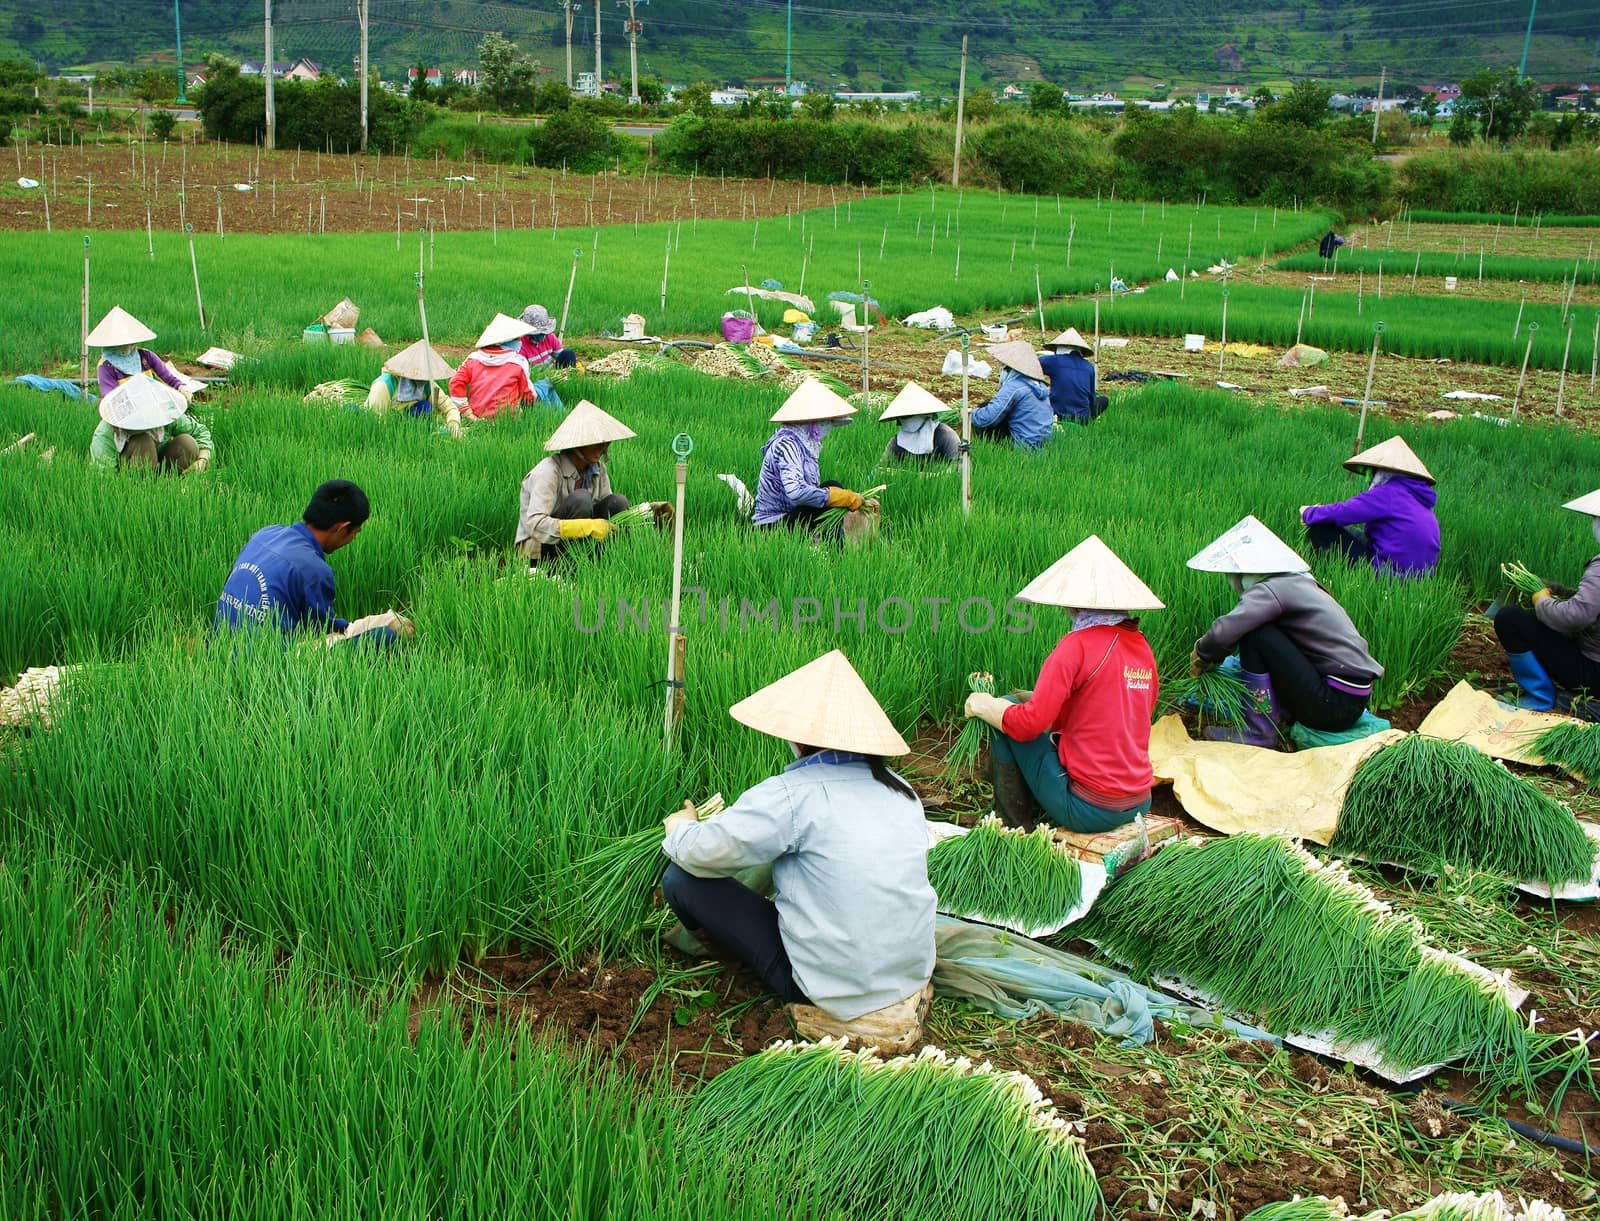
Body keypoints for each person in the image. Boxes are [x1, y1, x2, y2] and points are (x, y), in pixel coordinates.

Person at [660, 648, 936, 1053]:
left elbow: (703, 853)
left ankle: (712, 948)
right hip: (909, 971)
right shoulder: (900, 790)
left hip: (829, 988)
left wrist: (680, 828)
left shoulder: (792, 797)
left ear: (798, 737)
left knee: (681, 879)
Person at [962, 536, 1163, 832]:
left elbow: (1030, 724)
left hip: (1089, 809)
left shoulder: (1076, 645)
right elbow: (1126, 706)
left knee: (1005, 718)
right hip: (1139, 801)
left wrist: (987, 706)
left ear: (1071, 602)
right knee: (1018, 702)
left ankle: (1010, 827)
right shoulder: (1140, 645)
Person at [1188, 515, 1383, 746]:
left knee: (1256, 635)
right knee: (1268, 638)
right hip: (1349, 701)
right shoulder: (1299, 583)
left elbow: (1225, 631)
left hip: (1332, 704)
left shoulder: (1273, 589)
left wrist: (1202, 654)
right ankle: (1278, 713)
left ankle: (1260, 731)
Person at [214, 480, 380, 640]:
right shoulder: (314, 570)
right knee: (386, 637)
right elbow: (322, 632)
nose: (352, 539)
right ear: (341, 528)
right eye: (355, 533)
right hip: (268, 660)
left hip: (217, 646)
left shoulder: (264, 534)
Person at [516, 400, 661, 569]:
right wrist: (587, 527)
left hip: (581, 545)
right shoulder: (548, 472)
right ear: (578, 444)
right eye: (596, 443)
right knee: (581, 499)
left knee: (617, 502)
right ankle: (566, 568)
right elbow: (535, 525)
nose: (603, 448)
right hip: (543, 550)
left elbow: (608, 511)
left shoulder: (598, 469)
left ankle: (602, 565)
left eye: (605, 443)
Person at [1492, 487, 1600, 712]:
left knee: (1510, 619)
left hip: (1594, 674)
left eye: (1595, 518)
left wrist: (1541, 599)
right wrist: (1556, 589)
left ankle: (1541, 696)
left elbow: (1576, 617)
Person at [1301, 436, 1439, 576]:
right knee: (1341, 528)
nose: (1368, 480)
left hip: (1390, 576)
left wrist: (1309, 512)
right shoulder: (1417, 498)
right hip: (1418, 581)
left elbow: (1346, 511)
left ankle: (1320, 578)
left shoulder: (1390, 493)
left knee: (1321, 528)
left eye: (1370, 473)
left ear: (1382, 472)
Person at [752, 380, 877, 532]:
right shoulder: (787, 444)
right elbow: (796, 492)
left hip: (793, 514)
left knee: (833, 485)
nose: (829, 427)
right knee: (827, 503)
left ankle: (833, 542)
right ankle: (832, 546)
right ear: (812, 421)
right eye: (826, 422)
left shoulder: (804, 444)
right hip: (773, 524)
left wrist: (839, 495)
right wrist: (837, 497)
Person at [88, 370, 213, 475]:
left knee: (187, 443)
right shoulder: (105, 433)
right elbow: (104, 477)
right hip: (131, 476)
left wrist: (203, 459)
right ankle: (145, 490)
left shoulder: (165, 413)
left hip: (162, 467)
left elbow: (200, 432)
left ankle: (172, 485)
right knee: (143, 442)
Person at [448, 313, 538, 421]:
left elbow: (455, 382)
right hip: (507, 421)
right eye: (517, 339)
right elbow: (529, 395)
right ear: (508, 341)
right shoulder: (518, 363)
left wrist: (465, 410)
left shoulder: (473, 359)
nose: (520, 342)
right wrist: (527, 413)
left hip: (476, 417)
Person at [363, 340, 462, 436]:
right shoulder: (384, 385)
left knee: (425, 406)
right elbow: (377, 420)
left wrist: (454, 427)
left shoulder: (427, 385)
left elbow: (449, 407)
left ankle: (421, 437)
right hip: (387, 423)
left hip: (409, 422)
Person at [88, 306, 190, 398]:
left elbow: (167, 377)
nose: (128, 347)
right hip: (125, 410)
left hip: (153, 403)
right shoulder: (106, 366)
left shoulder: (146, 356)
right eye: (122, 344)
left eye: (130, 342)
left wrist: (181, 387)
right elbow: (110, 397)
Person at [971, 341, 1053, 449]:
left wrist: (969, 414)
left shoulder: (1014, 387)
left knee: (985, 409)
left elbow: (988, 418)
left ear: (1009, 369)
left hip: (1022, 447)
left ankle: (991, 449)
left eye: (1003, 368)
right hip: (1042, 446)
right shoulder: (1041, 386)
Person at [1037, 328, 1108, 424]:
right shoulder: (1089, 367)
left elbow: (1033, 364)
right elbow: (1092, 398)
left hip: (1057, 415)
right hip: (1083, 419)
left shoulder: (1054, 361)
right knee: (1103, 400)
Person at [879, 380, 959, 464]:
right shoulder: (899, 440)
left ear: (925, 415)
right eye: (902, 417)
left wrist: (928, 477)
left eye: (909, 416)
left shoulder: (945, 436)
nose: (906, 421)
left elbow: (958, 468)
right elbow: (881, 466)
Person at [516, 304, 577, 370]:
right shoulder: (520, 346)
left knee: (568, 353)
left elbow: (560, 355)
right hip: (535, 374)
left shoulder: (550, 337)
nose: (543, 335)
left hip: (552, 371)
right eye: (540, 333)